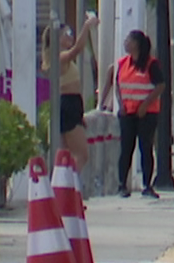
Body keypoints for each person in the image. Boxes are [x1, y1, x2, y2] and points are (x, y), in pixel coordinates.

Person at [101, 29, 167, 198]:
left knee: (145, 147)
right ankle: (122, 184)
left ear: (137, 44)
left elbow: (160, 86)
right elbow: (118, 85)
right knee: (126, 148)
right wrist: (121, 104)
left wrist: (145, 104)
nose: (126, 43)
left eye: (129, 40)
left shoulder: (151, 64)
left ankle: (147, 185)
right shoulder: (122, 63)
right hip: (127, 113)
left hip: (147, 113)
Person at [45, 15, 98, 172]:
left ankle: (66, 187)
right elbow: (77, 49)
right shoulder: (58, 57)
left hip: (73, 103)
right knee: (82, 155)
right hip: (68, 103)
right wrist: (87, 26)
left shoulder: (61, 58)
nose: (70, 36)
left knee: (67, 154)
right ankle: (69, 186)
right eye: (66, 33)